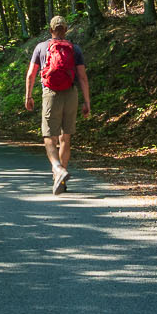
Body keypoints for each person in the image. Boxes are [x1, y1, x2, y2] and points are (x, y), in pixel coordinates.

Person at [23, 15, 91, 193]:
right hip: (71, 93)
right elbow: (82, 77)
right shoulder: (74, 49)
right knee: (65, 137)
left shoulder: (41, 47)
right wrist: (87, 101)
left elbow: (31, 74)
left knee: (48, 136)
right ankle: (59, 180)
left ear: (51, 30)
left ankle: (58, 169)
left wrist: (28, 96)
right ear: (65, 30)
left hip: (50, 94)